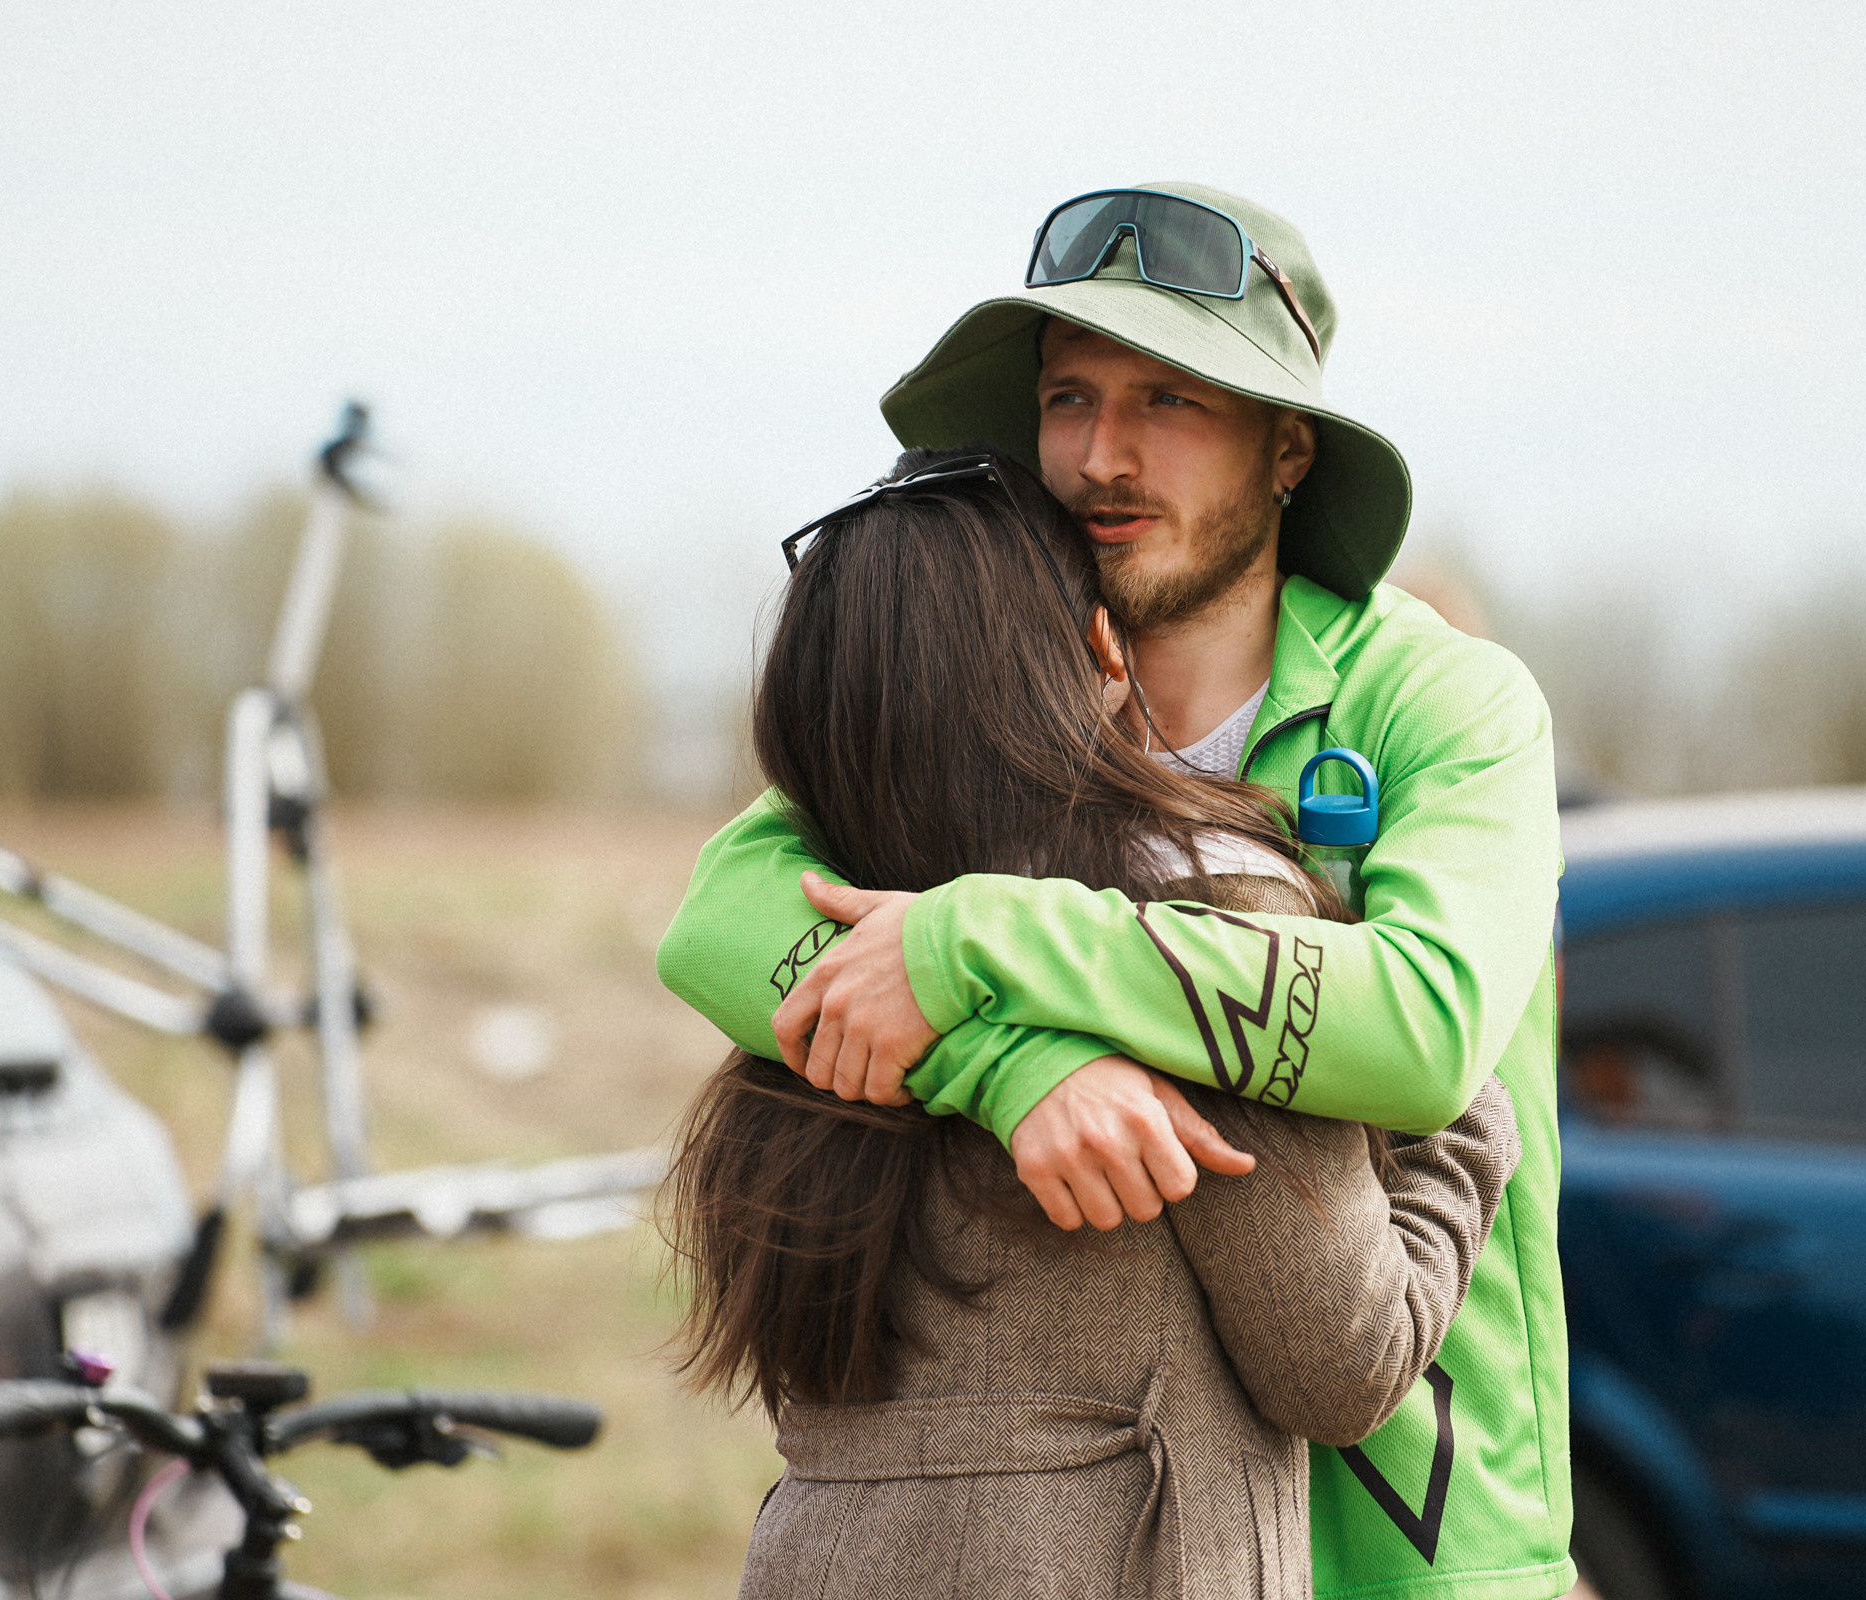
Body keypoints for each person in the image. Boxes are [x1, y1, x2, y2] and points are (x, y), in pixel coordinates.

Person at [658, 185, 1571, 1598]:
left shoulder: (1448, 701)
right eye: (1069, 397)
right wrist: (1016, 1069)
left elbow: (1425, 1031)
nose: (1101, 456)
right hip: (1130, 1524)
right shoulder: (1011, 689)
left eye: (1170, 401)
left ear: (1288, 450)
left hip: (1413, 1526)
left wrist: (976, 939)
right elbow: (721, 915)